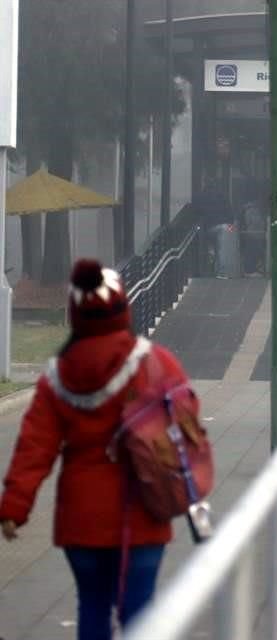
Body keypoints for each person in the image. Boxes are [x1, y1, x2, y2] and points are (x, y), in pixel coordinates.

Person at [0, 259, 195, 640]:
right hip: (144, 513)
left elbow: (34, 446)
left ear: (75, 313)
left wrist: (14, 506)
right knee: (140, 614)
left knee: (91, 607)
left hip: (81, 521)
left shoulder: (59, 375)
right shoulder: (156, 362)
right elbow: (187, 423)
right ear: (123, 306)